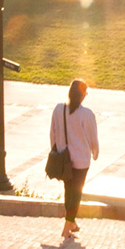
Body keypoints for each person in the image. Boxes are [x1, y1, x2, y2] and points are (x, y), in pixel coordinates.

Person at [50, 79, 99, 240]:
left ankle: (72, 223)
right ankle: (67, 226)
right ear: (82, 95)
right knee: (76, 193)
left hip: (64, 158)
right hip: (81, 159)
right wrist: (95, 151)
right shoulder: (87, 114)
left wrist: (55, 149)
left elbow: (53, 132)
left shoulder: (58, 109)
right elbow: (93, 137)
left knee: (68, 190)